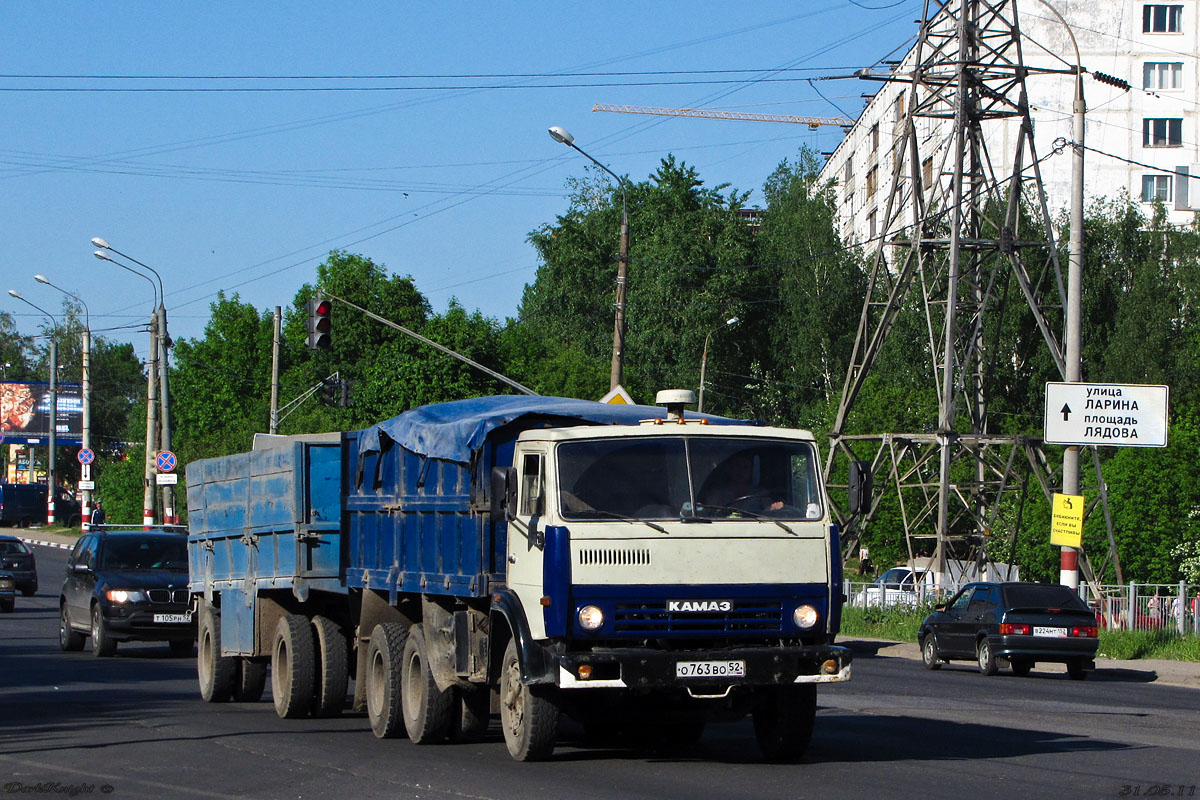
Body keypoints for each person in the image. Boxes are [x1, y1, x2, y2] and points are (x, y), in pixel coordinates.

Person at [702, 454, 783, 513]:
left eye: (745, 467)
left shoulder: (760, 494)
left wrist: (775, 508)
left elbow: (770, 511)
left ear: (751, 470)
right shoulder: (716, 494)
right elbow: (709, 514)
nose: (741, 471)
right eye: (736, 466)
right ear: (729, 469)